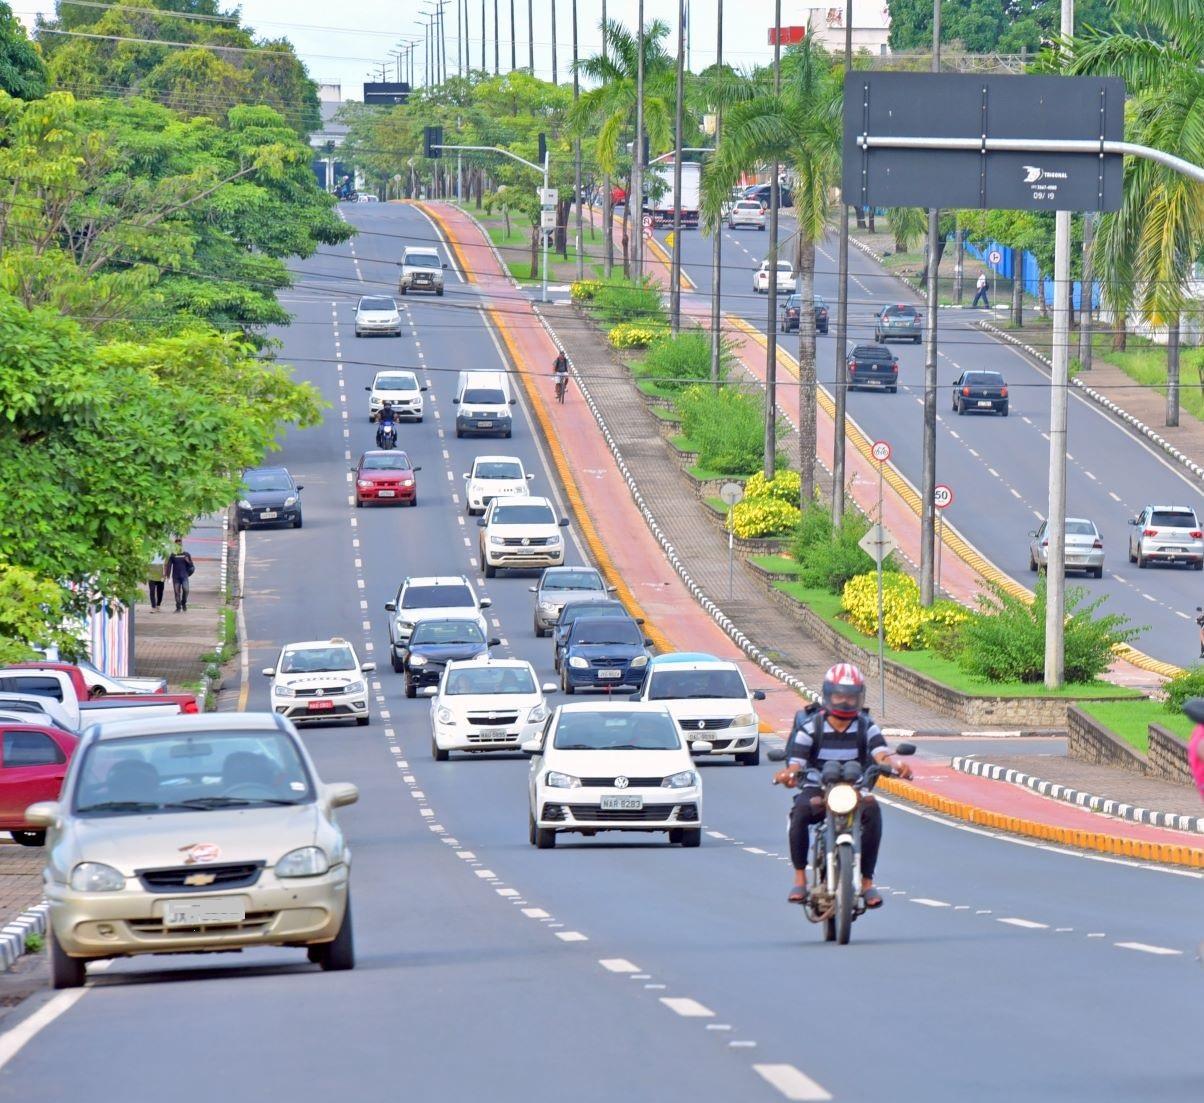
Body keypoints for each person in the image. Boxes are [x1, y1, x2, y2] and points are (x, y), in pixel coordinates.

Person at [775, 663, 913, 908]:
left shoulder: (865, 725)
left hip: (855, 788)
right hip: (818, 787)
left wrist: (896, 766)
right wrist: (788, 773)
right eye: (839, 695)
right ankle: (799, 878)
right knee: (799, 813)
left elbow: (880, 752)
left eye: (851, 697)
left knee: (872, 810)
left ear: (859, 697)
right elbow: (797, 761)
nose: (845, 702)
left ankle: (867, 881)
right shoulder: (812, 726)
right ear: (829, 695)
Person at [164, 537, 194, 613]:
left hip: (184, 576)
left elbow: (191, 566)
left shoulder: (186, 554)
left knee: (186, 590)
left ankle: (183, 603)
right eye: (177, 545)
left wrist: (188, 561)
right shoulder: (173, 555)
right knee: (177, 592)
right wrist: (168, 576)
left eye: (180, 544)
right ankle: (178, 607)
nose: (178, 546)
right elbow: (169, 566)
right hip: (176, 577)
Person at [146, 548, 166, 613]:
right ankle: (153, 607)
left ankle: (158, 605)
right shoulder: (149, 551)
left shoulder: (162, 551)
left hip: (160, 575)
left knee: (160, 591)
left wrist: (165, 575)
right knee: (152, 591)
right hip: (151, 575)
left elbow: (165, 565)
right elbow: (145, 563)